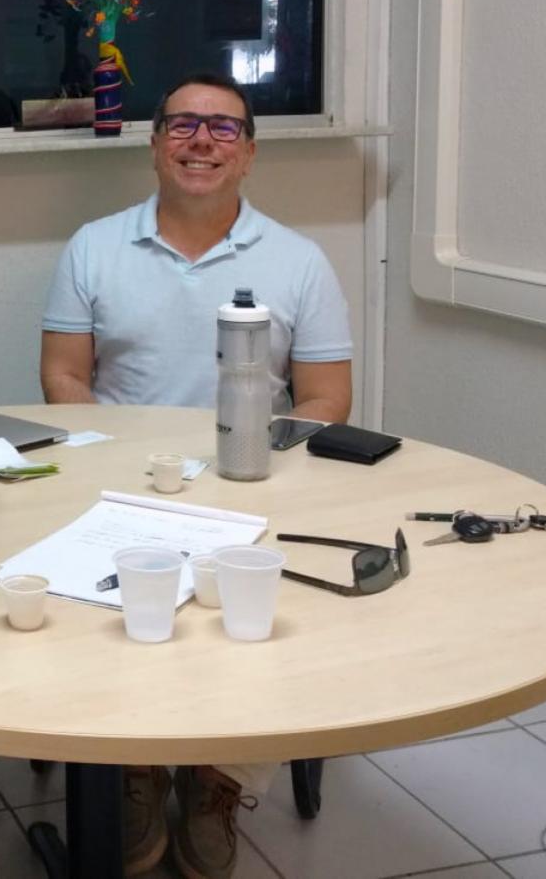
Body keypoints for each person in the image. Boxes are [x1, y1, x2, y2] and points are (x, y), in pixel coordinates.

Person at [39, 72, 353, 879]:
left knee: (260, 615)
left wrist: (262, 470)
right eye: (182, 125)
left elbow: (326, 399)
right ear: (154, 145)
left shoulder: (300, 261)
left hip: (253, 486)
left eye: (223, 128)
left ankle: (218, 776)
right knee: (114, 605)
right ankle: (137, 763)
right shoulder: (94, 246)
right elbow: (63, 377)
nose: (202, 141)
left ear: (248, 153)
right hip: (123, 485)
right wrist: (113, 464)